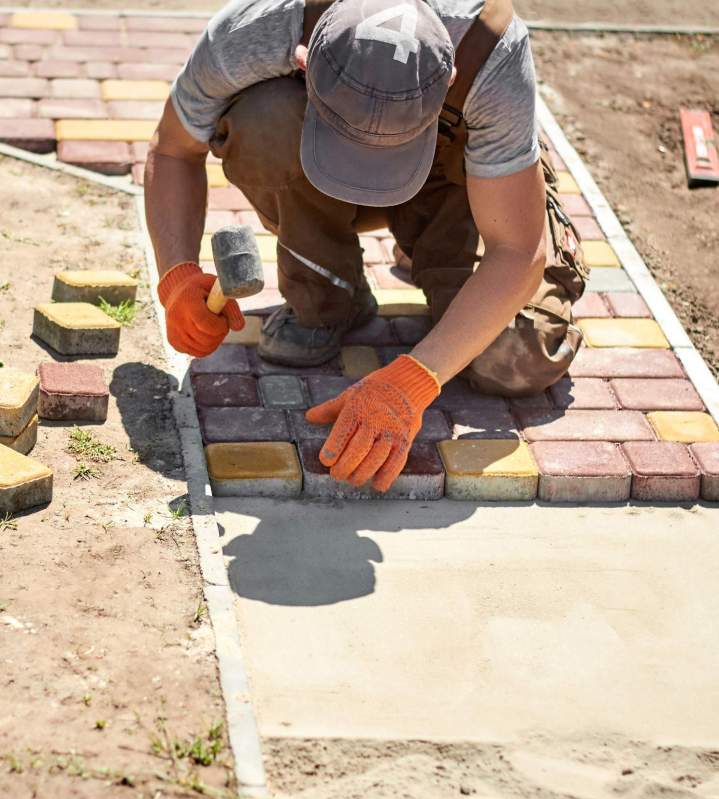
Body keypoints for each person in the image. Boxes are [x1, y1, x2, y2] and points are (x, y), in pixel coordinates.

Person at [146, 0, 587, 492]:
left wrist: (414, 381)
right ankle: (329, 288)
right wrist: (176, 275)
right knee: (265, 119)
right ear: (303, 59)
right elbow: (172, 149)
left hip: (462, 177)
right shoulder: (258, 29)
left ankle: (435, 248)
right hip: (313, 160)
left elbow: (516, 250)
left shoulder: (492, 52)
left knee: (515, 356)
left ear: (449, 78)